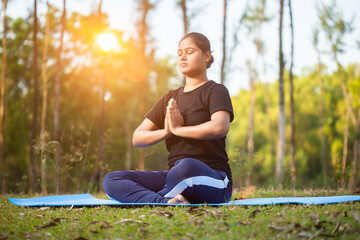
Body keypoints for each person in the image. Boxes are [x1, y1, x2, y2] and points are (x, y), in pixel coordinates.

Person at [103, 32, 234, 204]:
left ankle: (157, 197)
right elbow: (138, 137)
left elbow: (219, 126)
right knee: (112, 180)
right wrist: (166, 131)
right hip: (175, 176)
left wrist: (179, 130)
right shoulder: (169, 98)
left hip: (214, 178)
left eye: (189, 52)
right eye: (179, 53)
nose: (183, 57)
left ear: (206, 56)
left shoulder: (215, 91)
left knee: (186, 167)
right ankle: (166, 201)